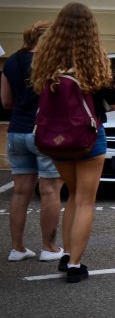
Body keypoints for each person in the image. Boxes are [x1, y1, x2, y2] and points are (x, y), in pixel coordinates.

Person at [29, 3, 115, 283]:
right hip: (88, 137)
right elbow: (113, 105)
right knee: (85, 201)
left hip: (55, 139)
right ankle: (74, 265)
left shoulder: (46, 59)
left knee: (71, 195)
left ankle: (68, 254)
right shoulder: (95, 59)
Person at [2, 20, 64, 263]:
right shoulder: (51, 63)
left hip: (16, 131)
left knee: (19, 191)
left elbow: (6, 102)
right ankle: (49, 247)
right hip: (45, 132)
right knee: (49, 190)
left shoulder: (12, 61)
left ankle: (17, 248)